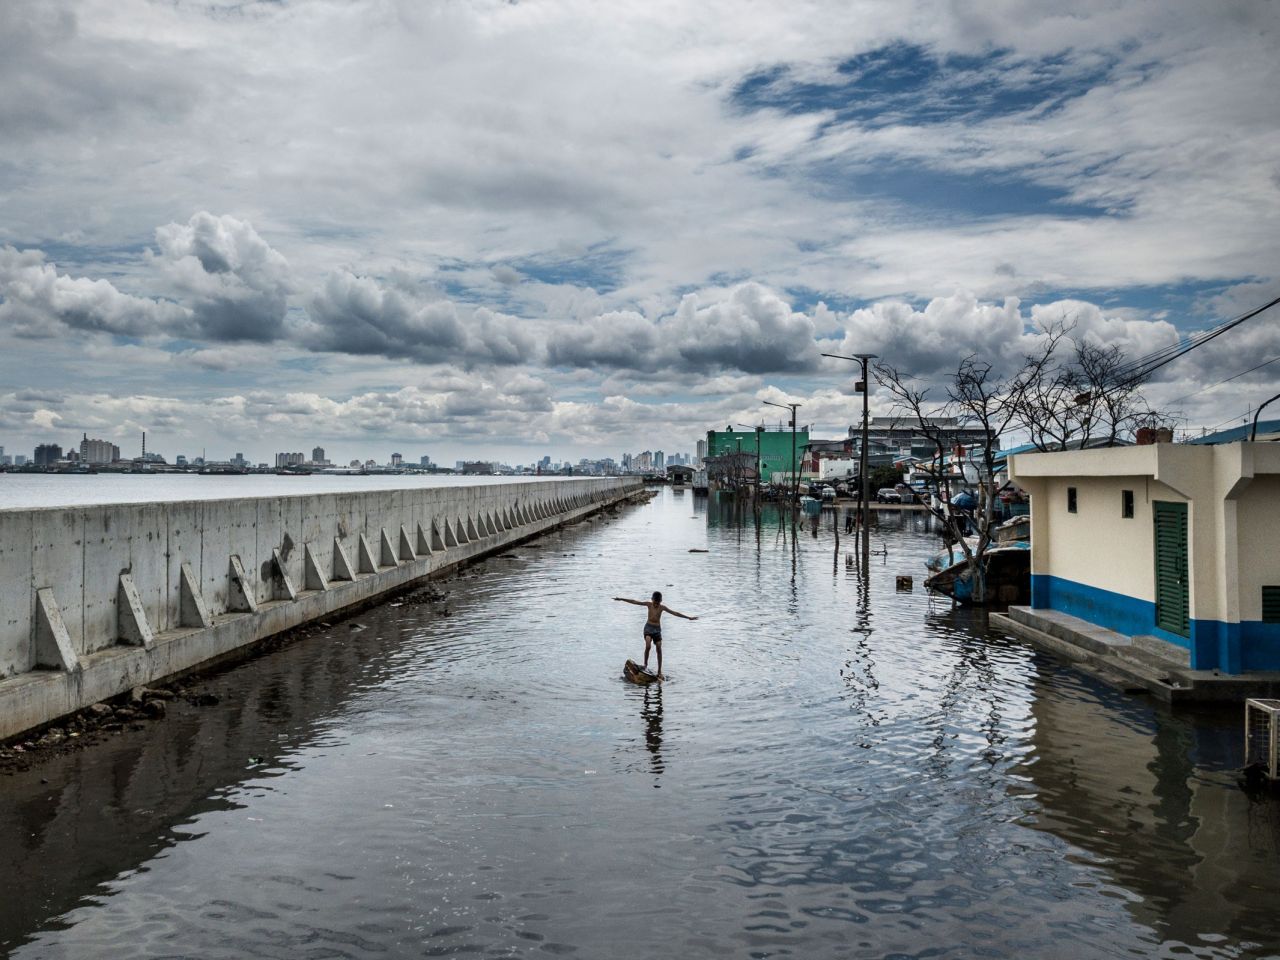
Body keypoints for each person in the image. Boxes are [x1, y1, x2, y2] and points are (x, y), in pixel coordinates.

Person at [613, 591, 697, 679]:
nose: (656, 605)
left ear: (660, 601)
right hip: (648, 628)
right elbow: (635, 602)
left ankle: (659, 671)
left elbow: (675, 613)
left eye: (658, 603)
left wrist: (688, 617)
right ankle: (645, 665)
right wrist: (621, 599)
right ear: (652, 600)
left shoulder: (662, 607)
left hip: (657, 630)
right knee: (648, 645)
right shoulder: (649, 604)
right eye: (655, 603)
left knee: (659, 648)